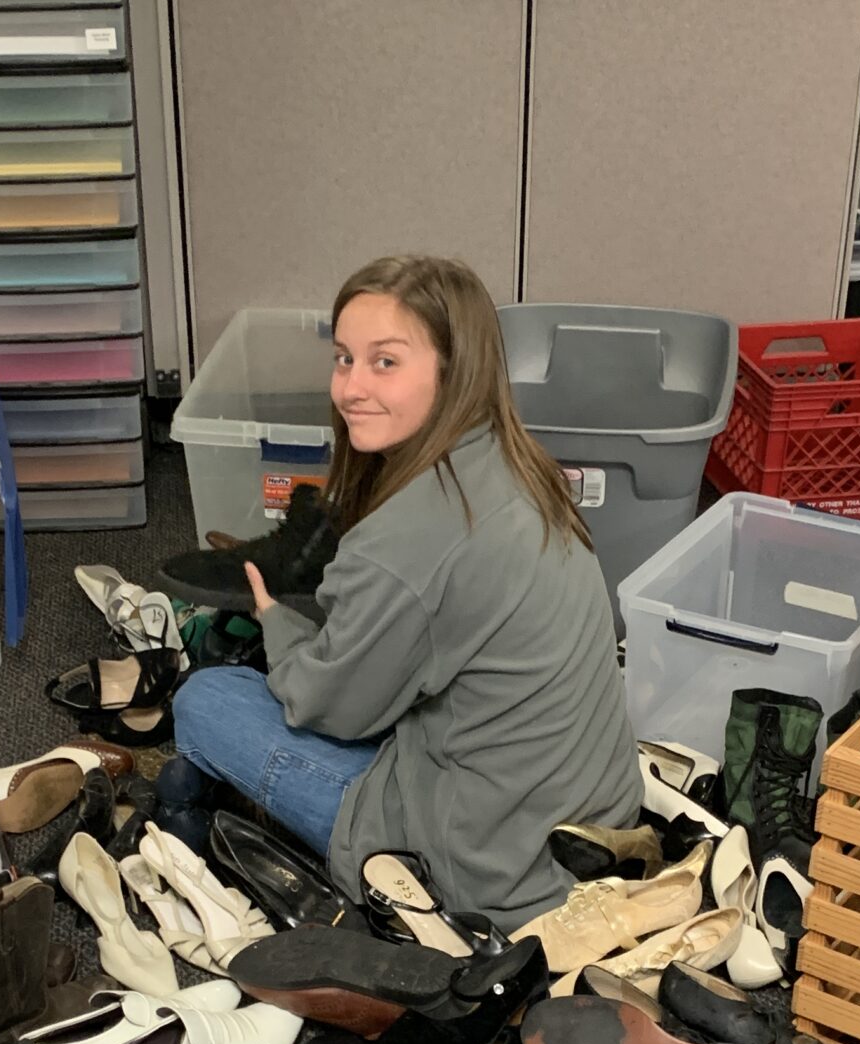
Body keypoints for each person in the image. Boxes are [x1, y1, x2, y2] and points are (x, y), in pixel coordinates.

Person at [167, 254, 640, 933]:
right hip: (594, 822)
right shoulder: (518, 465)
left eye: (385, 362)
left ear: (455, 370)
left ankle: (212, 827)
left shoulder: (408, 542)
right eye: (343, 359)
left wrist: (276, 623)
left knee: (207, 697)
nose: (351, 387)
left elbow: (328, 710)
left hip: (488, 868)